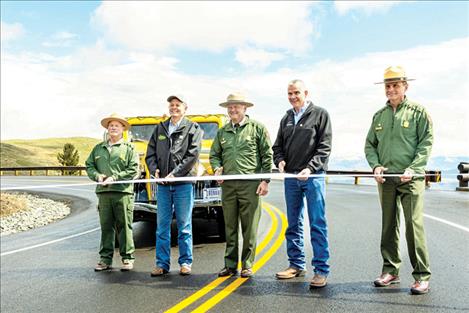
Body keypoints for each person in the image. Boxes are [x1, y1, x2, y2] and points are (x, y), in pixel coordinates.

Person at [365, 66, 433, 295]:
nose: (391, 89)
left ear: (406, 86)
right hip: (387, 180)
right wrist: (375, 165)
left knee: (413, 227)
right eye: (388, 86)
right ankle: (390, 270)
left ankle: (422, 275)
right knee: (388, 225)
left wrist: (414, 168)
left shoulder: (418, 112)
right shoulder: (379, 116)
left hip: (411, 178)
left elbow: (426, 142)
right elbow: (370, 145)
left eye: (395, 85)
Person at [273, 79, 332, 288]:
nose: (292, 97)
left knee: (317, 223)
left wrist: (312, 167)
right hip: (291, 179)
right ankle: (296, 264)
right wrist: (279, 160)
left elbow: (324, 147)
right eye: (289, 93)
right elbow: (277, 146)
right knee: (293, 223)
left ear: (305, 93)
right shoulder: (286, 118)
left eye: (296, 93)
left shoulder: (320, 114)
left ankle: (321, 270)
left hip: (313, 178)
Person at [209, 92, 272, 278]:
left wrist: (265, 180)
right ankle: (230, 265)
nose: (233, 109)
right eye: (230, 106)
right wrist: (217, 168)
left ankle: (247, 264)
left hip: (250, 185)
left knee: (249, 227)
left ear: (245, 108)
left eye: (237, 106)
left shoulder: (257, 128)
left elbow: (267, 155)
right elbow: (214, 154)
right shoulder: (222, 132)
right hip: (228, 186)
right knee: (230, 227)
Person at [145, 95, 202, 276]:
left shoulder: (193, 128)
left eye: (178, 105)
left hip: (183, 184)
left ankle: (185, 263)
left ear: (185, 108)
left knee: (184, 225)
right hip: (162, 186)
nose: (174, 108)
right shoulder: (160, 128)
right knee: (162, 226)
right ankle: (162, 264)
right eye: (171, 105)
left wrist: (175, 175)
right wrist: (155, 170)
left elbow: (192, 155)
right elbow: (150, 154)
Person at [86, 113, 139, 272]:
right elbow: (89, 166)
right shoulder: (98, 148)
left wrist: (115, 178)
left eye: (116, 125)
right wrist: (97, 176)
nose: (113, 128)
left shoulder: (129, 148)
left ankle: (127, 258)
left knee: (124, 226)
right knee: (106, 227)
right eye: (110, 125)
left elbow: (133, 169)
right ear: (107, 129)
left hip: (123, 193)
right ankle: (105, 259)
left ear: (123, 129)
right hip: (103, 194)